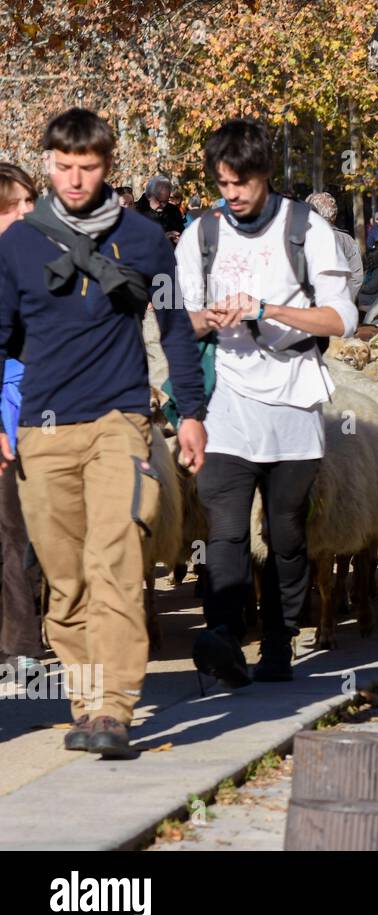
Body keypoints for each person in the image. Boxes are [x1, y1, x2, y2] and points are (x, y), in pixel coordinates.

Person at [0, 109, 208, 757]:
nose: (73, 179)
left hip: (121, 420)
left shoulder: (147, 240)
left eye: (87, 167)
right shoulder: (16, 245)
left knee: (113, 561)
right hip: (43, 428)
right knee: (66, 578)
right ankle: (86, 699)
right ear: (49, 163)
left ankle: (115, 706)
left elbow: (174, 329)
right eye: (62, 167)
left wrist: (192, 412)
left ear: (108, 166)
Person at [176, 118, 357, 687]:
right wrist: (207, 318)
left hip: (295, 403)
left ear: (265, 176)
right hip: (227, 403)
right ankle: (225, 635)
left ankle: (279, 643)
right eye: (223, 183)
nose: (232, 195)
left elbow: (342, 319)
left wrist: (267, 309)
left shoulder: (306, 230)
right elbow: (180, 321)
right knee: (224, 529)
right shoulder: (200, 235)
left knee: (285, 532)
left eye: (242, 183)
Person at [0, 164, 41, 679]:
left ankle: (21, 645)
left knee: (14, 533)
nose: (31, 211)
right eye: (19, 204)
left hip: (24, 412)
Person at [307, 191, 364, 300]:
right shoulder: (347, 241)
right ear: (334, 215)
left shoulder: (301, 237)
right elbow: (357, 277)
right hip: (338, 308)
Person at [135, 174, 184, 244]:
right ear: (149, 196)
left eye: (166, 201)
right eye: (160, 201)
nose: (163, 205)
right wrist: (163, 238)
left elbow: (181, 233)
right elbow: (134, 242)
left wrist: (179, 239)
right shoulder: (136, 212)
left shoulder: (174, 211)